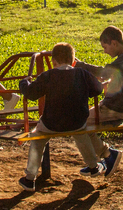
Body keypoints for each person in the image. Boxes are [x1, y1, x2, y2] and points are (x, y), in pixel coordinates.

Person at [17, 42, 106, 192]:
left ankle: (29, 178)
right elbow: (97, 89)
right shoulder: (82, 74)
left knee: (37, 139)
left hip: (51, 123)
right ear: (73, 61)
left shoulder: (48, 75)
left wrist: (24, 83)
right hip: (77, 121)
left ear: (54, 62)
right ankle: (93, 166)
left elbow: (31, 94)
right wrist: (84, 91)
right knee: (81, 133)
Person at [75, 25, 123, 178]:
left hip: (115, 108)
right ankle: (101, 159)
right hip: (111, 105)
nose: (105, 51)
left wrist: (80, 65)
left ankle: (105, 157)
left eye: (105, 46)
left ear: (114, 43)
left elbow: (105, 72)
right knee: (79, 123)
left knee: (76, 124)